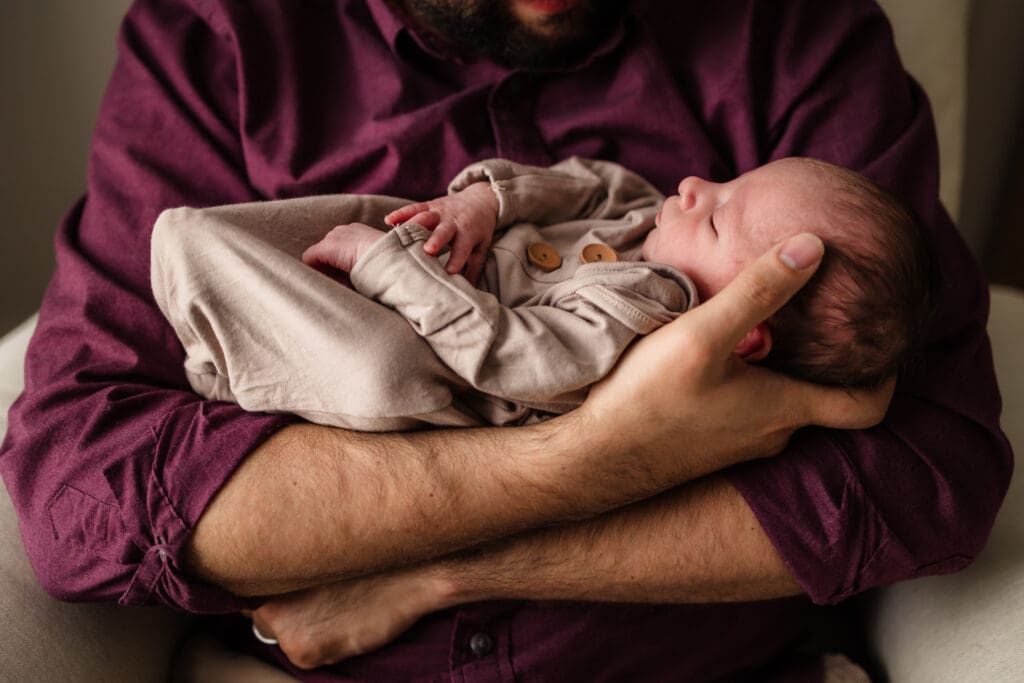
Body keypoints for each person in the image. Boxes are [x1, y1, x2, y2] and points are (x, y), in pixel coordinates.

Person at [0, 0, 1010, 680]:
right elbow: (84, 492)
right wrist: (594, 454)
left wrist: (433, 568)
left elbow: (929, 471)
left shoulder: (794, 41)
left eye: (719, 208)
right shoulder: (220, 35)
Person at [152, 156, 935, 434]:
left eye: (723, 215)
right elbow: (593, 182)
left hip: (439, 359)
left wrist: (382, 269)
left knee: (379, 373)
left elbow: (505, 354)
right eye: (729, 181)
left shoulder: (648, 314)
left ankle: (229, 367)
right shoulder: (655, 223)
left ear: (746, 331)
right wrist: (485, 202)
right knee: (347, 214)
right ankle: (225, 290)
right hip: (436, 262)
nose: (697, 186)